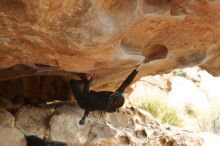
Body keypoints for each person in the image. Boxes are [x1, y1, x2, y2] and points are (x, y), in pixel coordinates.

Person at [70, 64, 143, 125]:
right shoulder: (116, 96)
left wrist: (87, 80)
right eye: (115, 94)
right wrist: (136, 70)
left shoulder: (102, 103)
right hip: (92, 96)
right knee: (89, 82)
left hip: (84, 101)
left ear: (111, 99)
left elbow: (86, 95)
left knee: (73, 82)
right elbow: (126, 83)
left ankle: (84, 81)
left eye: (113, 95)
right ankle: (86, 81)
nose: (113, 93)